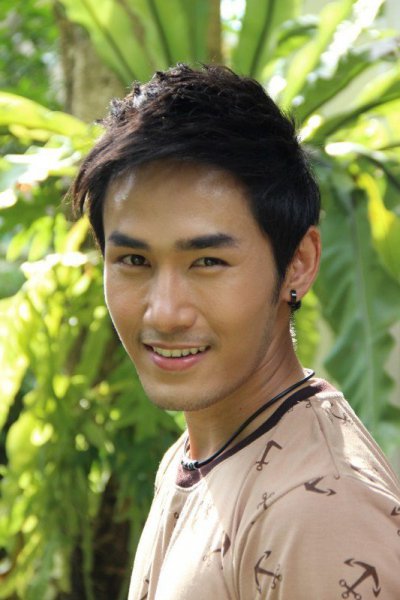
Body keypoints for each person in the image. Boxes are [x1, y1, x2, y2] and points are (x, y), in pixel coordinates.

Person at [72, 64, 400, 599]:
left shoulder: (319, 510)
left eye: (207, 262)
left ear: (298, 264)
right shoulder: (196, 452)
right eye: (134, 260)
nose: (165, 313)